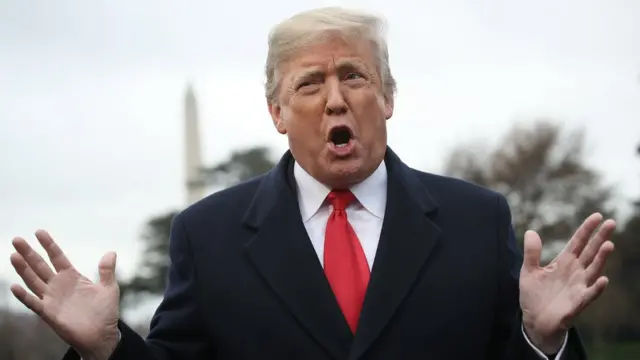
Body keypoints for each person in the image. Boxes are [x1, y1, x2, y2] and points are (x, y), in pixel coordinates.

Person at [8, 7, 616, 360]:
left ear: (388, 97)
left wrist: (544, 339)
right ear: (275, 113)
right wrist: (105, 349)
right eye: (308, 85)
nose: (334, 101)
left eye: (353, 75)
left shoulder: (476, 220)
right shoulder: (208, 235)